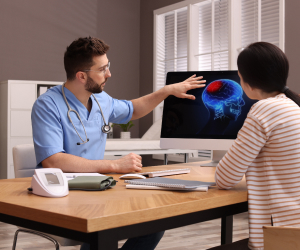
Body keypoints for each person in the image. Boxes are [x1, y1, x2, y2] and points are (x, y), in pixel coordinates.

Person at [31, 37, 206, 250]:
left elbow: (134, 109)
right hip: (63, 192)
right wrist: (114, 166)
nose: (109, 74)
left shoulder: (100, 99)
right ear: (81, 76)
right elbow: (52, 160)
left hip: (98, 187)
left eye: (108, 66)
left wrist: (166, 91)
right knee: (105, 227)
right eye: (102, 69)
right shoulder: (47, 105)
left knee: (154, 221)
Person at [215, 42, 300, 250]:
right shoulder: (293, 107)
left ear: (244, 80)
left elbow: (225, 178)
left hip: (281, 238)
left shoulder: (264, 110)